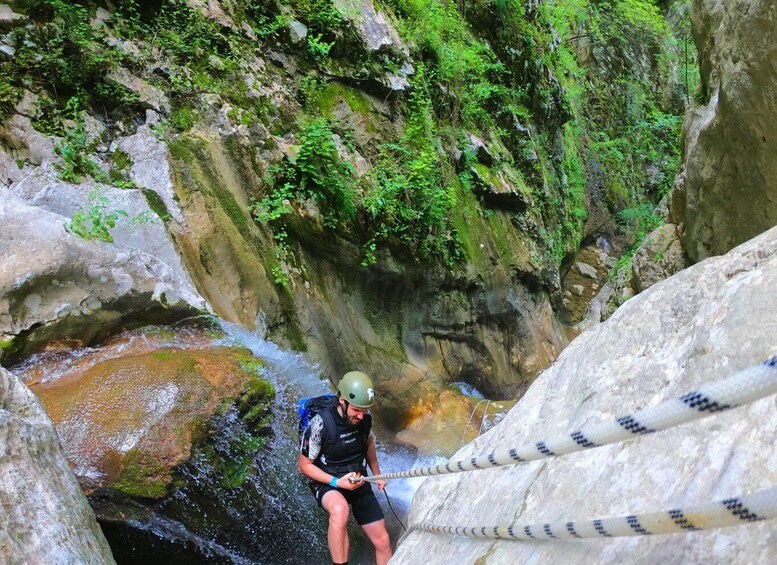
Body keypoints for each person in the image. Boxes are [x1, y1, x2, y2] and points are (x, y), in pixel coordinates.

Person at [298, 371, 392, 565]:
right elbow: (304, 465)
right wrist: (336, 482)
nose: (361, 415)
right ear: (342, 401)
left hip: (357, 479)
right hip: (328, 480)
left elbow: (368, 445)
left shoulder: (365, 419)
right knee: (340, 510)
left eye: (364, 410)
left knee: (383, 541)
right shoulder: (320, 424)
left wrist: (377, 475)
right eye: (356, 410)